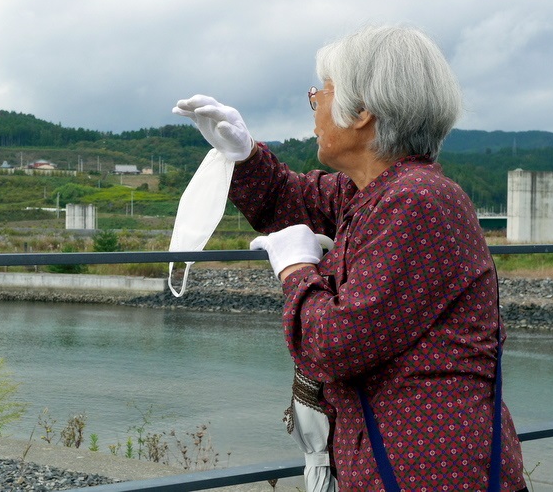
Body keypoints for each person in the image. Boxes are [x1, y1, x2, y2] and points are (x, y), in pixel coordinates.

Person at [173, 25, 527, 491]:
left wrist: (297, 270)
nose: (315, 104)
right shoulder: (377, 191)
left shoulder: (415, 200)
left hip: (430, 472)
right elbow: (291, 198)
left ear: (362, 111)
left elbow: (336, 346)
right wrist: (243, 156)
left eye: (321, 92)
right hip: (408, 462)